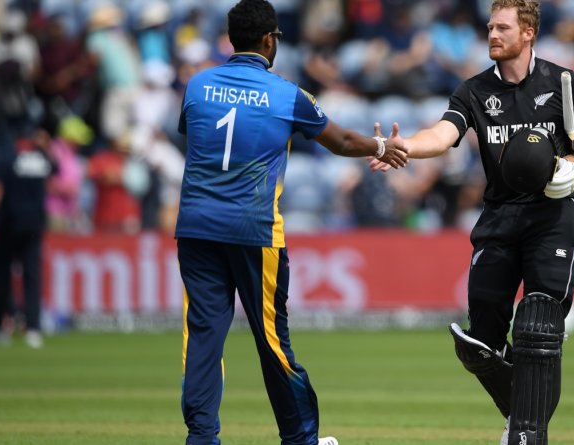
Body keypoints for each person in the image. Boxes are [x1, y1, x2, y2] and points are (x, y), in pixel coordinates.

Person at [174, 2, 407, 445]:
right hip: (253, 229)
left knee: (203, 336)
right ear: (268, 40)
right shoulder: (283, 93)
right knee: (271, 341)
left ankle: (201, 438)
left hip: (196, 227)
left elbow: (195, 134)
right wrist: (381, 145)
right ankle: (301, 439)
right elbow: (339, 140)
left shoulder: (197, 85)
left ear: (230, 38)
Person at [375, 1, 574, 443]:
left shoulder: (564, 83)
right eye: (489, 27)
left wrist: (572, 166)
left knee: (539, 324)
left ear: (529, 32)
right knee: (480, 342)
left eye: (502, 27)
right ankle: (523, 414)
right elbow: (442, 136)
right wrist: (400, 146)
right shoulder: (474, 90)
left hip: (553, 216)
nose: (492, 35)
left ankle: (525, 434)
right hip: (499, 217)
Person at [0, 129, 58, 349]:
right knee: (32, 279)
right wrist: (45, 148)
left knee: (3, 278)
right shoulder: (40, 160)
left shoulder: (7, 158)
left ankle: (1, 326)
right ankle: (33, 328)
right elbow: (55, 171)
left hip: (7, 226)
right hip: (32, 226)